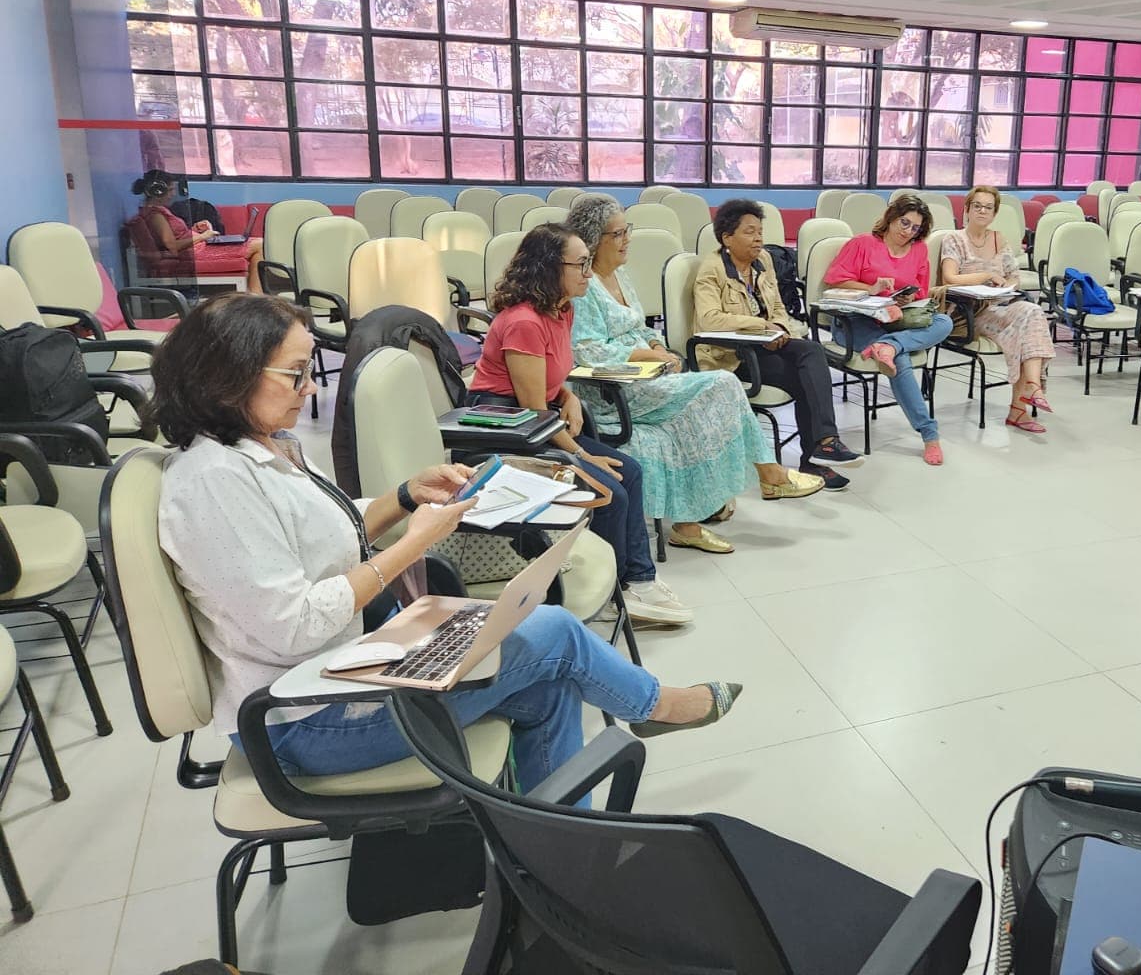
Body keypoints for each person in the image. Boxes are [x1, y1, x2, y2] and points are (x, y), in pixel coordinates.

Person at [151, 294, 738, 796]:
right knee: (553, 632)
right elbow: (291, 626)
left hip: (346, 670)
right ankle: (657, 707)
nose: (309, 389)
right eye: (295, 374)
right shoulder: (214, 484)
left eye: (309, 371)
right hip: (305, 722)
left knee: (551, 680)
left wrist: (406, 497)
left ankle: (552, 854)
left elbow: (321, 535)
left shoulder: (263, 449)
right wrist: (413, 545)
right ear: (227, 376)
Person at [566, 195, 823, 554]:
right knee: (721, 383)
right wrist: (649, 355)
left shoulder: (620, 275)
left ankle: (690, 522)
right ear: (595, 239)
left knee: (692, 415)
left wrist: (656, 344)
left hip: (646, 376)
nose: (628, 239)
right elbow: (587, 350)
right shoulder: (583, 285)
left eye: (628, 230)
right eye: (620, 233)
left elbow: (639, 326)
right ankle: (770, 474)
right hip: (612, 388)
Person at [470, 224, 689, 626]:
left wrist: (569, 396)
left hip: (541, 416)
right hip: (509, 427)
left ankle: (637, 580)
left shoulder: (561, 309)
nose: (590, 274)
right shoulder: (524, 322)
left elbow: (557, 377)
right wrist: (584, 455)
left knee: (631, 472)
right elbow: (532, 411)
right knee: (610, 492)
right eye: (581, 265)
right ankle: (610, 598)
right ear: (549, 269)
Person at [694, 199, 864, 490]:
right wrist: (762, 327)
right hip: (732, 355)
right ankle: (815, 459)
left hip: (765, 344)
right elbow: (710, 319)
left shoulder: (763, 262)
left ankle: (825, 443)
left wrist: (780, 331)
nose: (759, 238)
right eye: (749, 232)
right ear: (726, 238)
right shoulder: (712, 269)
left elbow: (777, 310)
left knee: (811, 350)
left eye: (760, 231)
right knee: (803, 379)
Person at [823, 194, 955, 466]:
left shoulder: (918, 250)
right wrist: (870, 290)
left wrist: (908, 299)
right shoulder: (862, 244)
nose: (908, 232)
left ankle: (891, 344)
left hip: (895, 318)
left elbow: (920, 292)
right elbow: (834, 281)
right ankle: (929, 434)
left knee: (945, 322)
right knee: (900, 358)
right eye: (904, 223)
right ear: (891, 218)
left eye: (915, 228)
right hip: (856, 321)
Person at [938, 185, 1056, 434]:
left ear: (994, 212)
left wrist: (1006, 286)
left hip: (1000, 304)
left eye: (988, 207)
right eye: (977, 206)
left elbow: (1014, 276)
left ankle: (1031, 388)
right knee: (1024, 326)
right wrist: (986, 275)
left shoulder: (998, 238)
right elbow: (949, 278)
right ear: (967, 209)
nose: (982, 211)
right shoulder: (954, 239)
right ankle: (1021, 406)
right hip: (968, 312)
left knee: (1032, 314)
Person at [132, 170, 263, 292]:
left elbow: (175, 236)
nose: (173, 194)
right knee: (259, 244)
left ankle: (255, 293)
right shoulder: (155, 215)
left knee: (257, 243)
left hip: (197, 247)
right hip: (195, 253)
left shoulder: (158, 211)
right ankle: (256, 295)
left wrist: (194, 229)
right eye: (171, 190)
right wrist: (203, 236)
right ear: (158, 192)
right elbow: (172, 246)